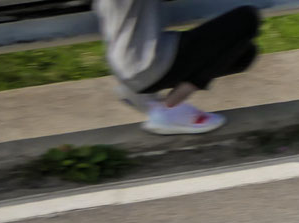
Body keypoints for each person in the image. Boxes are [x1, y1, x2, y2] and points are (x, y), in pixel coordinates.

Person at [93, 0, 262, 135]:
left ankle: (141, 95)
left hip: (128, 68)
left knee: (244, 54)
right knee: (247, 18)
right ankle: (172, 105)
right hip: (151, 63)